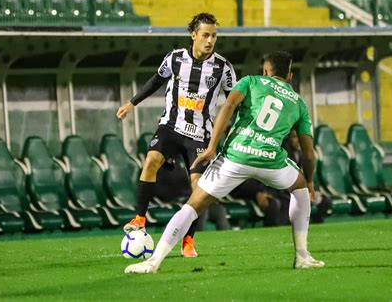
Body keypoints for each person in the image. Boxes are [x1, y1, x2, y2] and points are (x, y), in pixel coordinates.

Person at [125, 51, 324, 274]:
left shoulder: (250, 81)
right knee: (300, 190)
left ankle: (154, 262)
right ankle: (302, 256)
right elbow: (308, 154)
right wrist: (309, 181)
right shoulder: (298, 103)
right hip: (271, 161)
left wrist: (211, 147)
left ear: (265, 71)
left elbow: (227, 107)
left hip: (236, 158)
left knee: (191, 206)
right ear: (289, 75)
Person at [116, 13, 237, 257]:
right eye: (205, 35)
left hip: (200, 135)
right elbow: (155, 81)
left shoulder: (223, 67)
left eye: (214, 35)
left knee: (197, 188)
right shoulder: (175, 59)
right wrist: (132, 103)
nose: (210, 40)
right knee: (150, 161)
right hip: (171, 127)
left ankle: (188, 241)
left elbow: (235, 100)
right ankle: (140, 218)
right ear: (194, 35)